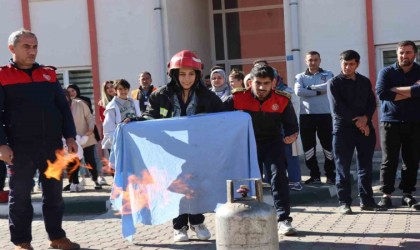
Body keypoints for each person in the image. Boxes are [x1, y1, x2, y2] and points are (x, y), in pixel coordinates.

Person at [0, 29, 80, 250]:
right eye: (26, 46)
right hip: (19, 149)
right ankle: (22, 242)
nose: (32, 51)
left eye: (34, 46)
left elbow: (63, 109)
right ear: (12, 48)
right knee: (21, 197)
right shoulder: (2, 76)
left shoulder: (49, 74)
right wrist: (2, 144)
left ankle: (56, 237)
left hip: (52, 147)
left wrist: (70, 136)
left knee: (54, 195)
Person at [141, 50, 225, 242]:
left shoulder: (208, 97)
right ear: (174, 74)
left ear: (197, 75)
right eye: (182, 73)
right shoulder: (160, 95)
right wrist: (135, 121)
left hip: (197, 150)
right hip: (170, 151)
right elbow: (150, 116)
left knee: (196, 186)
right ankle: (179, 226)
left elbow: (223, 119)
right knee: (176, 187)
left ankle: (197, 222)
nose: (186, 78)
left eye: (191, 73)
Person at [225, 64, 299, 236]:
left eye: (266, 83)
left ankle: (284, 219)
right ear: (250, 82)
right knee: (246, 180)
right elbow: (218, 117)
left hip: (273, 143)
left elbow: (292, 126)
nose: (261, 87)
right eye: (258, 83)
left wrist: (291, 135)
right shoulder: (236, 97)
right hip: (246, 144)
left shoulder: (282, 99)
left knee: (278, 175)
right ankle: (243, 217)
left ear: (273, 83)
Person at [327, 50, 386, 215]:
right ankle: (344, 202)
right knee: (342, 168)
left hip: (365, 128)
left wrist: (366, 119)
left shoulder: (364, 81)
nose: (347, 67)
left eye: (351, 64)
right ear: (341, 63)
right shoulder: (334, 83)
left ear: (357, 64)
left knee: (365, 166)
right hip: (343, 130)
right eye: (344, 63)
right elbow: (338, 108)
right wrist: (360, 123)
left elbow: (371, 102)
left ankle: (367, 201)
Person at [375, 40, 420, 210]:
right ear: (397, 54)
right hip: (390, 121)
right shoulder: (386, 71)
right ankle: (386, 195)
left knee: (411, 160)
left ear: (414, 54)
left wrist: (395, 90)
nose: (404, 56)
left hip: (415, 122)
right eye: (401, 52)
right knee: (389, 160)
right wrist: (412, 91)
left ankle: (407, 194)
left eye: (407, 52)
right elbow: (381, 93)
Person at [294, 51, 336, 185]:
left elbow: (329, 86)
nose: (313, 62)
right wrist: (318, 91)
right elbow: (298, 91)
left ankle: (330, 175)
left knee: (328, 146)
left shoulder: (328, 74)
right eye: (310, 60)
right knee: (308, 147)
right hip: (306, 116)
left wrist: (310, 88)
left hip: (325, 115)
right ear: (306, 61)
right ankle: (314, 175)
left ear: (320, 60)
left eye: (315, 60)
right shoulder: (300, 76)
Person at [63, 90, 102, 191]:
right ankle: (74, 183)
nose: (64, 98)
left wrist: (90, 128)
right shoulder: (59, 107)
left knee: (90, 159)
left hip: (86, 136)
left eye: (65, 96)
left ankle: (95, 180)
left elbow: (89, 116)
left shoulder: (80, 104)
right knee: (72, 162)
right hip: (71, 139)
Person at [102, 79, 141, 151]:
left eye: (125, 89)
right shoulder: (112, 106)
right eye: (120, 89)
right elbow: (108, 129)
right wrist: (117, 142)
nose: (123, 91)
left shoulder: (134, 102)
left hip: (135, 139)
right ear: (115, 90)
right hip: (120, 141)